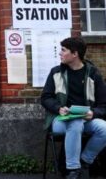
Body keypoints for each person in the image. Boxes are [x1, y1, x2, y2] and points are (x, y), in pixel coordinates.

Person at [41, 37, 106, 179]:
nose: (60, 53)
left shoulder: (94, 74)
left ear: (75, 54)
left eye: (63, 50)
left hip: (85, 119)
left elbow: (104, 105)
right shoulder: (55, 72)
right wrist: (58, 108)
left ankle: (84, 160)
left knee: (104, 128)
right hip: (59, 119)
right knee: (75, 123)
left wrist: (93, 113)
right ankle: (72, 170)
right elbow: (45, 98)